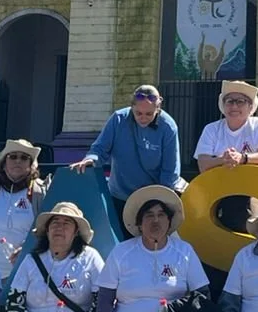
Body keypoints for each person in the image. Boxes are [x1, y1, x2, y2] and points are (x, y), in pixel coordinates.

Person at [71, 86, 183, 227]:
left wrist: (159, 200)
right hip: (119, 195)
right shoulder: (118, 119)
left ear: (158, 107)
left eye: (149, 114)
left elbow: (170, 170)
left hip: (151, 200)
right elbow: (100, 149)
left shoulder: (168, 127)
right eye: (138, 113)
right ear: (131, 107)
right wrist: (90, 159)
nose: (143, 118)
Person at [0, 139, 48, 276]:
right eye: (13, 156)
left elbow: (47, 231)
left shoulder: (42, 193)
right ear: (3, 164)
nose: (18, 161)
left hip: (27, 274)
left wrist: (29, 247)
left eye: (24, 158)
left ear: (31, 165)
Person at [194, 81, 258, 172]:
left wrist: (242, 158)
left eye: (240, 101)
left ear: (250, 107)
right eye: (229, 101)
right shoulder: (211, 129)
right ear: (223, 106)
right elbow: (203, 164)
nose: (234, 106)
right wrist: (224, 159)